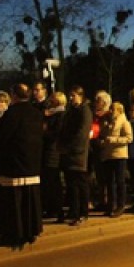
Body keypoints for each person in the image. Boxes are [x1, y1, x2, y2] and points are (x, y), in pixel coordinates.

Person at [0, 83, 44, 248]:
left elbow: (0, 137)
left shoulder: (11, 114)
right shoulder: (37, 113)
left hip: (13, 164)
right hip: (32, 163)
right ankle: (30, 231)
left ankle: (14, 232)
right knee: (29, 201)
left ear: (13, 95)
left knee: (13, 202)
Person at [58, 86, 93, 225]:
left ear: (80, 95)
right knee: (71, 184)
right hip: (68, 152)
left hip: (78, 153)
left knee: (80, 184)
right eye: (70, 95)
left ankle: (82, 212)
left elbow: (82, 133)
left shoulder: (85, 111)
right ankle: (73, 211)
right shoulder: (71, 111)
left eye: (73, 95)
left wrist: (71, 147)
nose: (71, 98)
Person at [100, 101, 132, 217]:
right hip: (108, 155)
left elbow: (129, 138)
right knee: (109, 182)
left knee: (120, 181)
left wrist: (114, 140)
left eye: (113, 109)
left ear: (119, 111)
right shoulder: (107, 121)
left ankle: (120, 205)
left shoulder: (124, 122)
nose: (111, 111)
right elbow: (102, 134)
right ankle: (110, 205)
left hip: (119, 155)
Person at [41, 91, 66, 223]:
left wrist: (44, 131)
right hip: (47, 151)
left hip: (54, 151)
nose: (51, 101)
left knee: (54, 181)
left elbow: (56, 133)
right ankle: (50, 208)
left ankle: (58, 209)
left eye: (53, 100)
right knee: (47, 181)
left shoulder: (60, 115)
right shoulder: (49, 113)